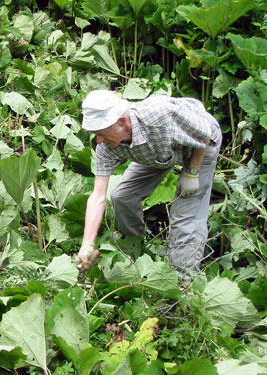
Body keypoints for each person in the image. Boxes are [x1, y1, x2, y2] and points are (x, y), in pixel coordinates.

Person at [75, 90, 222, 280]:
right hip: (158, 153)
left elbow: (205, 133)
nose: (99, 140)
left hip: (200, 142)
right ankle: (134, 250)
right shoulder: (106, 146)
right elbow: (98, 196)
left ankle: (183, 281)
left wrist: (192, 172)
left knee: (185, 214)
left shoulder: (159, 116)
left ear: (121, 122)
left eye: (101, 133)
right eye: (95, 134)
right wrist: (87, 243)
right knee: (122, 196)